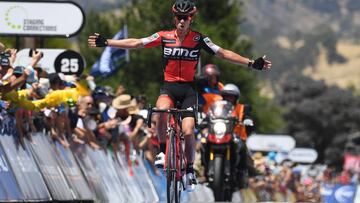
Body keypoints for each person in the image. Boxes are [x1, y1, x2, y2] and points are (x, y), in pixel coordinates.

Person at [88, 0, 271, 190]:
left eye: (187, 17)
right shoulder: (163, 36)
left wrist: (251, 63)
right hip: (169, 87)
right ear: (175, 18)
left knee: (189, 130)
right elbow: (137, 42)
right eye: (179, 17)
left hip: (189, 91)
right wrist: (108, 42)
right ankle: (162, 151)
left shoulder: (199, 39)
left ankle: (190, 169)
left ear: (192, 19)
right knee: (161, 111)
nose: (183, 21)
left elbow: (223, 53)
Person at [220, 83, 255, 188]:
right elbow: (210, 114)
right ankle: (205, 169)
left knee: (243, 149)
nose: (229, 99)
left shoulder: (242, 108)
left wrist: (247, 119)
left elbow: (247, 116)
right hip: (221, 136)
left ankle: (241, 173)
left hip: (237, 138)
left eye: (232, 96)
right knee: (205, 143)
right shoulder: (218, 107)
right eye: (227, 96)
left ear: (236, 98)